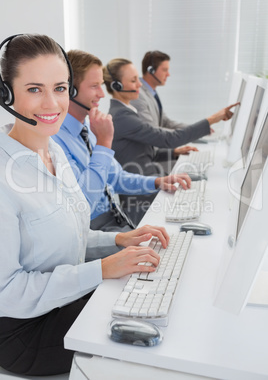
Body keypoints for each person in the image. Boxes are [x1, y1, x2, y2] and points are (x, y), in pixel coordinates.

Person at [0, 34, 171, 376]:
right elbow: (7, 292)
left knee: (155, 313)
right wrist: (103, 269)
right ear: (6, 94)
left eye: (60, 88)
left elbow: (65, 236)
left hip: (62, 301)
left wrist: (118, 240)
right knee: (144, 357)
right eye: (35, 89)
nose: (52, 103)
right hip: (23, 331)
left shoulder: (54, 151)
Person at [53, 50, 192, 228]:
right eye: (94, 86)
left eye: (101, 85)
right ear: (70, 90)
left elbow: (116, 178)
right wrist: (104, 144)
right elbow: (83, 204)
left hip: (118, 219)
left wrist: (158, 182)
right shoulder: (56, 141)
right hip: (93, 229)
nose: (102, 94)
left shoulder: (88, 127)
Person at [103, 58, 238, 176]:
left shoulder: (125, 111)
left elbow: (144, 154)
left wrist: (174, 152)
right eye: (133, 80)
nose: (139, 84)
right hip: (141, 193)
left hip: (148, 180)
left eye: (138, 78)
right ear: (117, 86)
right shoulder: (122, 117)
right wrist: (213, 119)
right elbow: (168, 139)